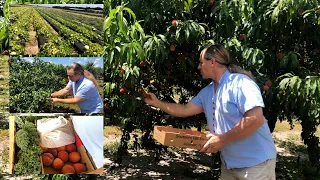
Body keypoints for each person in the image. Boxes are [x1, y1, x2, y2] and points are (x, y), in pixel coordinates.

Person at [144, 44, 277, 180]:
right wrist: (157, 103)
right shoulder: (208, 91)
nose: (198, 67)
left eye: (201, 62)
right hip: (230, 165)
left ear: (212, 62)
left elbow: (255, 119)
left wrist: (221, 139)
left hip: (256, 165)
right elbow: (185, 110)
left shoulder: (240, 83)